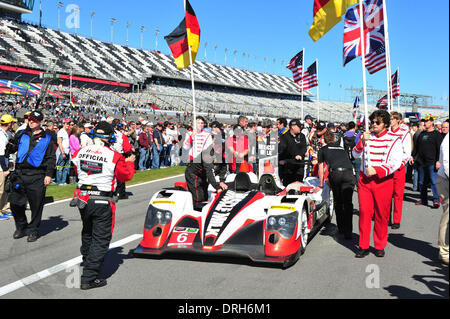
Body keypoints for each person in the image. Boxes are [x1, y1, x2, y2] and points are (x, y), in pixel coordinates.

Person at [71, 121, 136, 290]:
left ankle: (87, 260)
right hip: (102, 199)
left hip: (82, 198)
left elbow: (77, 171)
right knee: (101, 239)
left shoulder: (80, 151)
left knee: (87, 231)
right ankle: (89, 277)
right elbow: (125, 176)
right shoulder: (114, 155)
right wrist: (130, 162)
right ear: (110, 137)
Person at [352, 110, 403, 258]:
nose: (373, 124)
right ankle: (363, 245)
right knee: (364, 213)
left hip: (383, 182)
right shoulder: (365, 136)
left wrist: (378, 170)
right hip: (364, 181)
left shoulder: (394, 139)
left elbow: (396, 163)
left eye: (377, 122)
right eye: (372, 122)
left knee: (381, 215)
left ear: (385, 124)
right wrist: (362, 142)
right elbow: (355, 154)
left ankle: (380, 245)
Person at [9, 110, 56, 242]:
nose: (30, 122)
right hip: (20, 173)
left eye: (34, 120)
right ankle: (21, 224)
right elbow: (12, 148)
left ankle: (33, 229)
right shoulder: (22, 133)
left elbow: (51, 158)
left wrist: (48, 175)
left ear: (40, 122)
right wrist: (10, 144)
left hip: (37, 175)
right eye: (29, 119)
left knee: (36, 206)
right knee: (14, 203)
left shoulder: (47, 138)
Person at [317, 130, 355, 240]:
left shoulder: (323, 150)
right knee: (348, 203)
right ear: (334, 139)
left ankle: (341, 228)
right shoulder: (341, 148)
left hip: (336, 174)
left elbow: (320, 168)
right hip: (349, 174)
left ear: (324, 140)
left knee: (338, 202)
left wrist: (321, 183)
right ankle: (348, 232)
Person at [184, 116, 226, 210]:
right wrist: (217, 187)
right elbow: (209, 172)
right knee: (199, 197)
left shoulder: (222, 152)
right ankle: (195, 213)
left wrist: (222, 180)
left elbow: (223, 166)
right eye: (219, 146)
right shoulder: (208, 154)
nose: (221, 148)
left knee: (205, 195)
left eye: (222, 145)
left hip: (202, 174)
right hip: (193, 174)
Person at [410, 115, 443, 208]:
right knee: (422, 182)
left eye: (427, 121)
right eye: (424, 121)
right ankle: (423, 199)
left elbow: (440, 149)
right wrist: (412, 156)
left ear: (432, 123)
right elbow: (416, 147)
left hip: (432, 162)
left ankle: (436, 200)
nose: (425, 123)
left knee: (433, 182)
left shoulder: (437, 135)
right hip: (421, 162)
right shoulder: (422, 134)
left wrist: (438, 161)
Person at [389, 112, 412, 229]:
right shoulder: (387, 132)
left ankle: (396, 219)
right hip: (387, 169)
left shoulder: (404, 133)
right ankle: (386, 217)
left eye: (393, 119)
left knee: (398, 194)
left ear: (398, 120)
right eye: (390, 119)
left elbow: (407, 152)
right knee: (387, 194)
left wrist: (399, 164)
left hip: (398, 168)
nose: (390, 121)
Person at [278, 119, 308, 186]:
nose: (300, 128)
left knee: (298, 185)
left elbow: (304, 147)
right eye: (299, 126)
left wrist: (299, 155)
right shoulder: (284, 136)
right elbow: (283, 149)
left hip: (299, 165)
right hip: (288, 166)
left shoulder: (302, 136)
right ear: (293, 127)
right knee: (288, 185)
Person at [0, 114, 17, 220]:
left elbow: (5, 152)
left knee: (5, 189)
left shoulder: (4, 133)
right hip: (1, 167)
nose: (13, 124)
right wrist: (5, 169)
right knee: (1, 190)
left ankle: (3, 209)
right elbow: (0, 154)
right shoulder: (1, 136)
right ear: (9, 123)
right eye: (12, 122)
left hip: (4, 164)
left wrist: (9, 161)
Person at [436, 131, 449, 265]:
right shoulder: (448, 139)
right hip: (446, 180)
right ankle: (444, 252)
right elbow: (446, 162)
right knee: (448, 217)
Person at [56, 120, 71, 185]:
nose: (68, 125)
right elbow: (59, 142)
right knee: (60, 167)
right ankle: (59, 182)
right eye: (67, 124)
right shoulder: (61, 132)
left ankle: (63, 181)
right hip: (62, 151)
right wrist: (62, 152)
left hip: (67, 151)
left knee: (66, 168)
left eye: (68, 124)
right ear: (63, 124)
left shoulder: (66, 131)